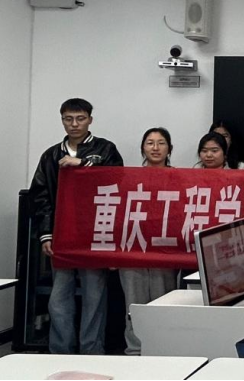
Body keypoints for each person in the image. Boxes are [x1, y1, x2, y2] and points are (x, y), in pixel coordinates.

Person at [30, 98, 124, 355]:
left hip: (94, 232)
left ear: (90, 120)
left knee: (94, 295)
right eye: (68, 119)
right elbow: (41, 196)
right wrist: (46, 234)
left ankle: (92, 351)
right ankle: (60, 351)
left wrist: (83, 164)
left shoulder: (105, 148)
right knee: (59, 296)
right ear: (62, 120)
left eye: (80, 118)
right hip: (62, 234)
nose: (74, 124)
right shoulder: (51, 155)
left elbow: (117, 179)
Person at [120, 128, 179, 355]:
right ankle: (135, 352)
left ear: (169, 149)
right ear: (142, 148)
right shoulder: (129, 178)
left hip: (165, 251)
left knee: (163, 303)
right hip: (133, 250)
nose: (155, 148)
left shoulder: (181, 177)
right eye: (150, 143)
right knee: (134, 305)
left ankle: (162, 350)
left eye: (161, 143)